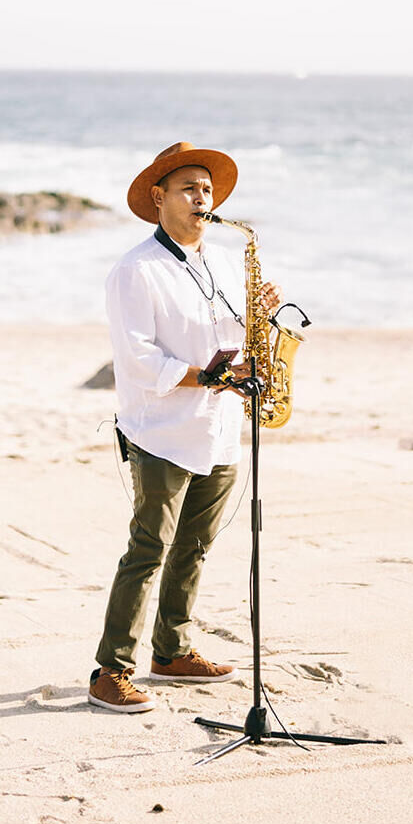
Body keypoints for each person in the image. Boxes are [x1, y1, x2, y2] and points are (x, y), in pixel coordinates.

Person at [89, 141, 281, 713]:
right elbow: (138, 359)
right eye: (189, 188)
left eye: (207, 188)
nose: (203, 198)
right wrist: (209, 376)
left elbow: (232, 339)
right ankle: (110, 671)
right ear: (158, 198)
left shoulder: (222, 261)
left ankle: (172, 651)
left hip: (219, 427)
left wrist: (263, 319)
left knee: (194, 547)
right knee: (148, 548)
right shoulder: (135, 271)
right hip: (161, 430)